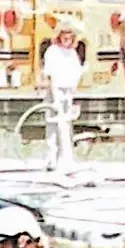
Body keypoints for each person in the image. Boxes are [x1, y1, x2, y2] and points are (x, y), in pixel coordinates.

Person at [42, 20, 85, 171]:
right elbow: (50, 74)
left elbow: (76, 73)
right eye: (64, 34)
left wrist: (74, 94)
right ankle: (51, 158)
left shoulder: (72, 53)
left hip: (68, 91)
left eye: (70, 34)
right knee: (53, 124)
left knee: (66, 124)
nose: (67, 37)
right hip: (55, 90)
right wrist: (54, 96)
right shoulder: (52, 51)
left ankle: (65, 157)